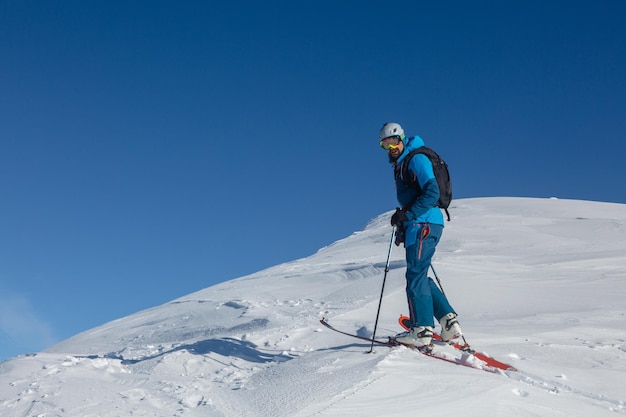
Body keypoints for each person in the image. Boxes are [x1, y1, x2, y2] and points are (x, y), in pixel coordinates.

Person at [379, 122, 462, 347]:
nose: (391, 147)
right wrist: (404, 224)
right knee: (420, 275)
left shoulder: (415, 158)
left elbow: (431, 190)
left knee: (415, 276)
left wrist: (409, 214)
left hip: (424, 224)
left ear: (403, 139)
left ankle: (422, 329)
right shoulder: (403, 164)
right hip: (419, 225)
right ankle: (448, 322)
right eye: (385, 144)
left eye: (394, 141)